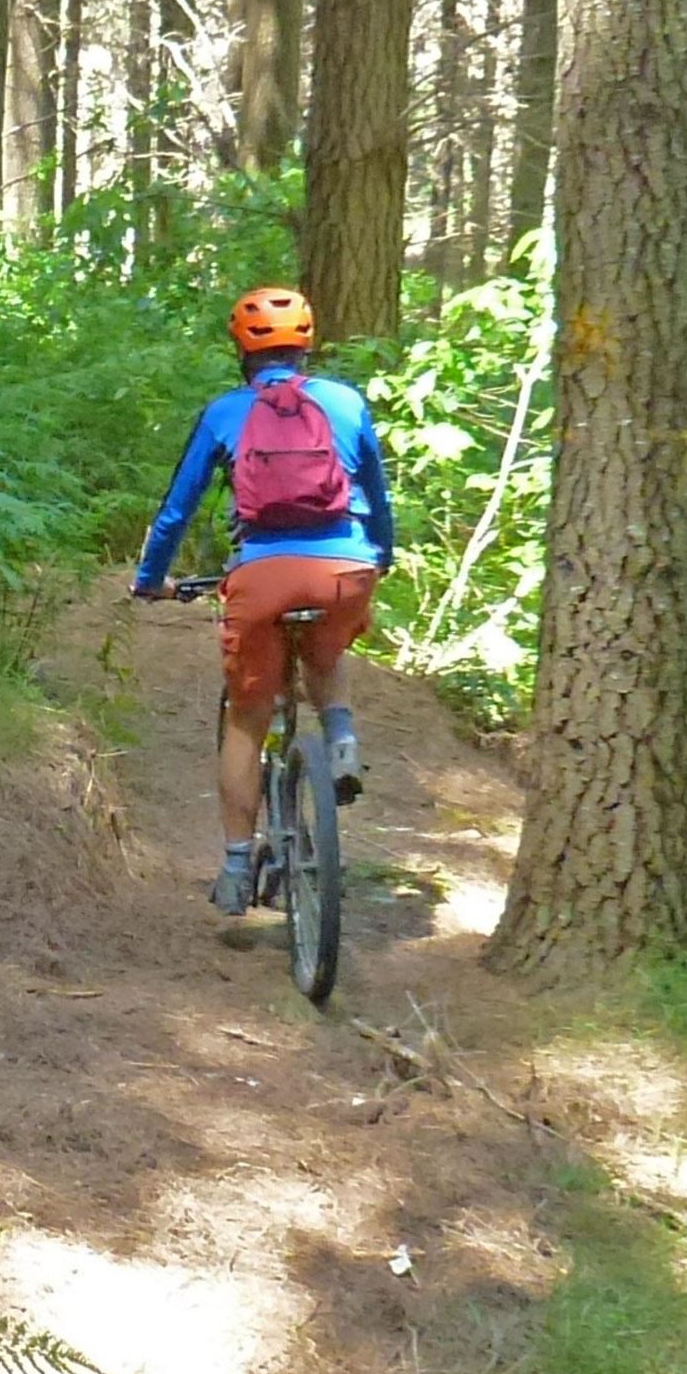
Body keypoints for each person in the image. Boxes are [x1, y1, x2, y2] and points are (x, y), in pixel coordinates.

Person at [131, 288, 396, 917]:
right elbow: (378, 497)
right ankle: (342, 744)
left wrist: (150, 580)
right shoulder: (346, 402)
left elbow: (176, 510)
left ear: (240, 350)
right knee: (326, 651)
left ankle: (232, 867)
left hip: (262, 574)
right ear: (306, 344)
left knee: (248, 719)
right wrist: (379, 555)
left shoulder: (226, 412)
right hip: (345, 570)